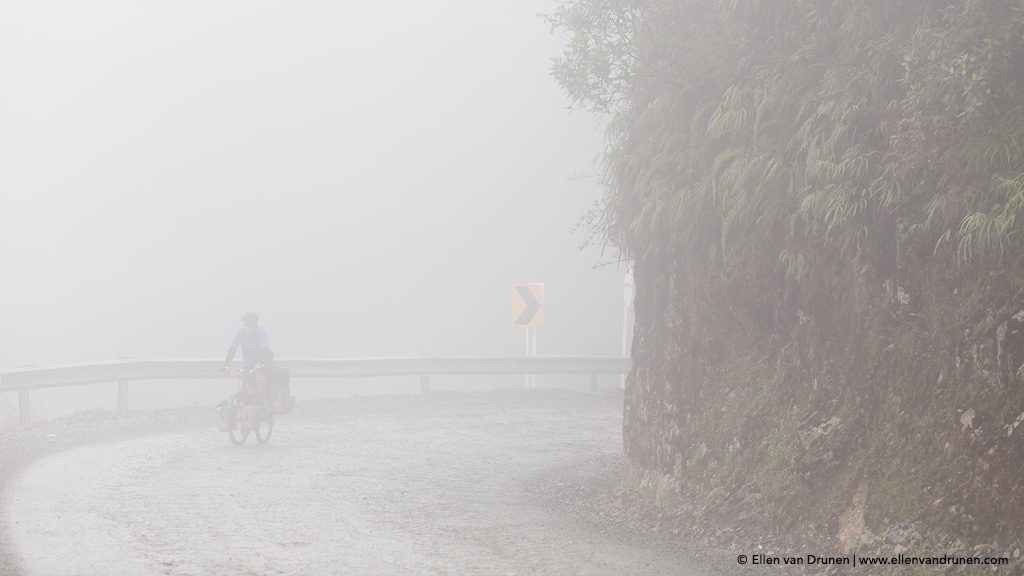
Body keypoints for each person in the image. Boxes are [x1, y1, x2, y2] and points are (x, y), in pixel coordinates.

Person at [224, 312, 274, 415]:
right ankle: (247, 411)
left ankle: (266, 404)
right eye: (245, 324)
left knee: (259, 376)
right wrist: (226, 365)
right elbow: (232, 349)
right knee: (246, 380)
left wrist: (262, 363)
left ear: (255, 324)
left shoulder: (262, 333)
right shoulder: (240, 333)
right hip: (248, 362)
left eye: (250, 324)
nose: (247, 327)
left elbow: (265, 349)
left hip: (261, 361)